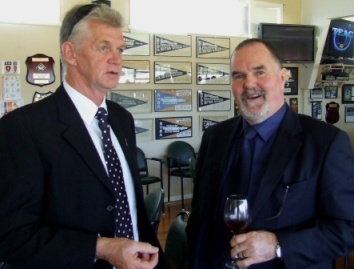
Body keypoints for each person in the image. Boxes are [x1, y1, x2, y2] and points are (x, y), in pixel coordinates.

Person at [0, 4, 167, 269]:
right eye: (103, 47)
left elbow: (131, 208)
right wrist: (101, 248)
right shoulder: (23, 128)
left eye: (120, 49)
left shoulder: (122, 119)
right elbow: (13, 237)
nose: (117, 58)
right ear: (71, 53)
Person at [186, 38, 354, 269]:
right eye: (239, 76)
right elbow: (199, 220)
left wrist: (278, 245)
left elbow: (347, 228)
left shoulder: (326, 143)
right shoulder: (215, 137)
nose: (249, 84)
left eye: (260, 72)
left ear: (283, 77)